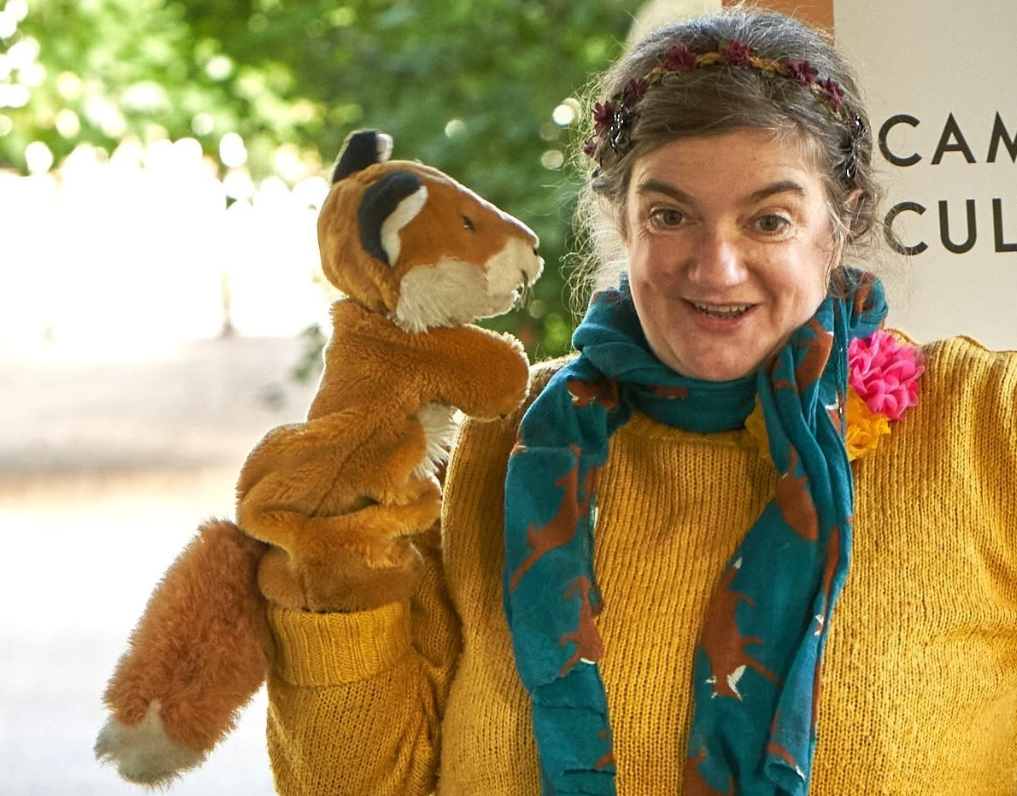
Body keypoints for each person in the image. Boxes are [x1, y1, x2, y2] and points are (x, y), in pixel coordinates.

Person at [261, 8, 1017, 796]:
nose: (716, 268)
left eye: (768, 220)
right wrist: (330, 556)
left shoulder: (985, 429)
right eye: (669, 215)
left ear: (841, 220)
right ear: (618, 219)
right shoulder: (488, 444)